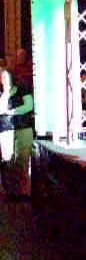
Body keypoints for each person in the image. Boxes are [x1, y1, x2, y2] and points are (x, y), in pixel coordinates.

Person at [0, 59, 34, 202]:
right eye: (1, 76)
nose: (3, 78)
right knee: (8, 161)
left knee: (22, 161)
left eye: (5, 75)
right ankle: (11, 192)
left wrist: (12, 111)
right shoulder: (1, 94)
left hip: (23, 128)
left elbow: (29, 106)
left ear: (11, 76)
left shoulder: (22, 89)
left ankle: (23, 192)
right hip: (5, 129)